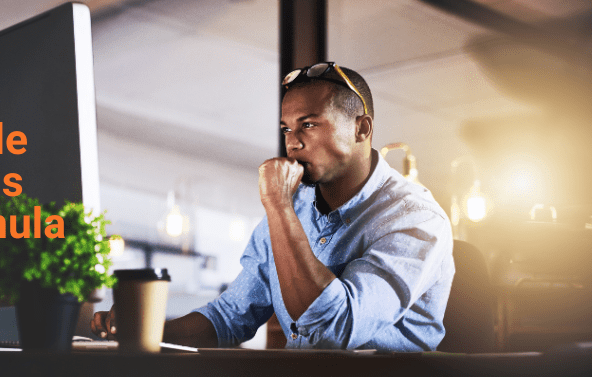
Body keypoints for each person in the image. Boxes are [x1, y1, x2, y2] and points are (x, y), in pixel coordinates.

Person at [92, 63, 454, 352]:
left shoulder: (414, 217)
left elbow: (334, 330)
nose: (292, 144)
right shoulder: (295, 204)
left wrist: (279, 207)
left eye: (308, 125)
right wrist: (144, 334)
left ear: (361, 129)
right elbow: (229, 318)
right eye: (286, 128)